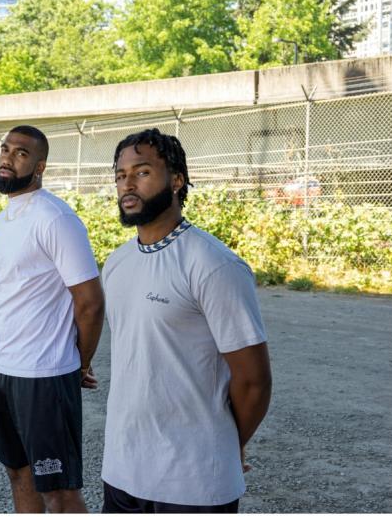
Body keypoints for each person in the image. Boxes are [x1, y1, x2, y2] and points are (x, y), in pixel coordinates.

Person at [101, 128, 272, 513]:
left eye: (142, 172)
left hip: (193, 482)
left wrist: (226, 444)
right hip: (122, 471)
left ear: (177, 180)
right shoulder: (116, 264)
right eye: (120, 174)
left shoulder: (213, 265)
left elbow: (254, 381)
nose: (127, 183)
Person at [0, 125, 105, 513]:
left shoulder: (55, 218)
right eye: (5, 149)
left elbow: (90, 302)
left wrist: (79, 363)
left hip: (45, 376)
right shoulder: (2, 222)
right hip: (1, 369)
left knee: (59, 492)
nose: (7, 157)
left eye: (20, 153)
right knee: (18, 474)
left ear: (39, 167)